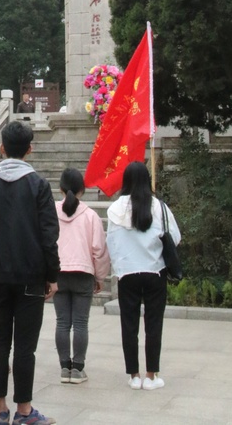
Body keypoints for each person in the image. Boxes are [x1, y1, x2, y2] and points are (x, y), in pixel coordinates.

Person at [0, 120, 59, 425]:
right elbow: (49, 234)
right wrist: (52, 275)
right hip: (31, 275)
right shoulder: (38, 185)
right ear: (30, 149)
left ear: (2, 148)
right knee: (24, 346)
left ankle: (0, 409)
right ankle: (24, 411)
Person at [106, 161, 181, 391]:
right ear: (147, 180)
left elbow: (111, 242)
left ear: (126, 181)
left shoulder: (115, 209)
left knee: (128, 325)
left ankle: (134, 376)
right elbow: (175, 238)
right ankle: (151, 375)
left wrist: (120, 266)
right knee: (153, 324)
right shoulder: (160, 207)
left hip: (127, 273)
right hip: (155, 272)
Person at [54, 168, 110, 384]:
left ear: (60, 188)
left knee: (62, 322)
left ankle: (63, 367)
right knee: (80, 323)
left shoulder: (51, 211)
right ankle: (77, 369)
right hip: (83, 273)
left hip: (59, 273)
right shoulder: (90, 215)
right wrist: (100, 277)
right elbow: (99, 249)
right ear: (82, 190)